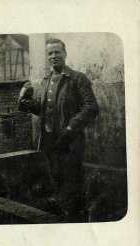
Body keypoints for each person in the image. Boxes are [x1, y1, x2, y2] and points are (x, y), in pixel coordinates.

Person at [18, 38, 99, 221]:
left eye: (57, 52)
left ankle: (75, 218)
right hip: (49, 141)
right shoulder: (46, 80)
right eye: (50, 53)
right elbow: (43, 109)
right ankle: (65, 215)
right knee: (56, 180)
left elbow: (91, 107)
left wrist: (71, 126)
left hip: (70, 142)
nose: (53, 56)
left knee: (72, 182)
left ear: (65, 54)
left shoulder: (78, 78)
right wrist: (25, 102)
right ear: (47, 57)